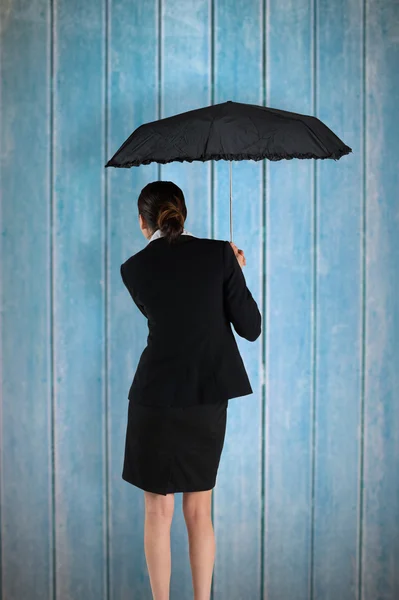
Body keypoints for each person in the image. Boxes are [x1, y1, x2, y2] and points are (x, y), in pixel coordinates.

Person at [120, 180, 261, 600]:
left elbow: (169, 315)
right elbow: (250, 329)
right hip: (205, 396)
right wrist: (232, 269)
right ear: (183, 213)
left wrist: (224, 271)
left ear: (143, 223)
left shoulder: (133, 269)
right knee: (199, 513)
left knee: (156, 513)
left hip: (154, 398)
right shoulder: (219, 254)